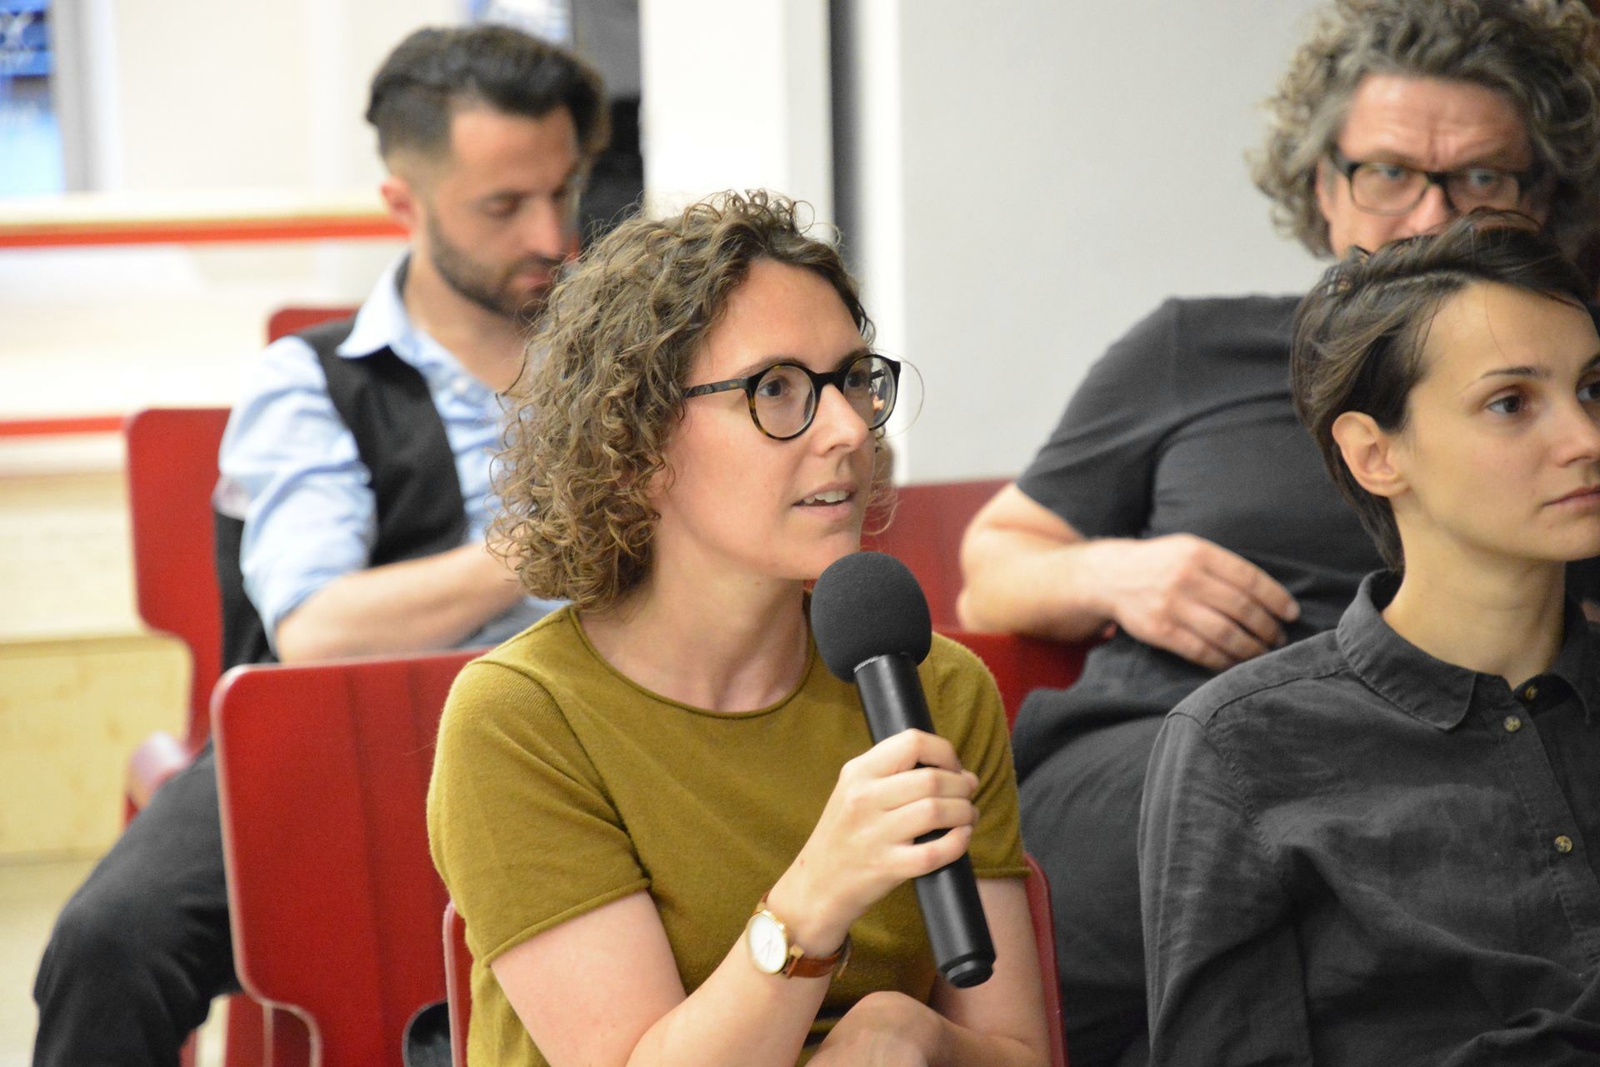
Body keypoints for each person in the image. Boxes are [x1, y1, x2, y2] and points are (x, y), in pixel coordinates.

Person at [954, 3, 1600, 1063]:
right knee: (1331, 802)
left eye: (1481, 177)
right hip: (1165, 740)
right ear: (1323, 185)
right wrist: (1122, 573)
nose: (1428, 214)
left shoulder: (1566, 405)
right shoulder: (1191, 349)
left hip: (1473, 743)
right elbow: (991, 566)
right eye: (1387, 172)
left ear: (1541, 197)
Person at [31, 25, 607, 1067]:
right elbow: (318, 628)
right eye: (502, 206)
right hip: (356, 754)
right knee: (109, 943)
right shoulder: (313, 382)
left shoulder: (629, 356)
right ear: (403, 203)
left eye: (563, 191)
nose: (551, 233)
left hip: (603, 731)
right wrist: (554, 540)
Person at [427, 190, 1051, 1067]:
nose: (848, 430)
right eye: (777, 389)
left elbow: (1017, 1053)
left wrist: (911, 1036)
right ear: (636, 446)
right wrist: (814, 897)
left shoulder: (933, 685)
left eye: (854, 381)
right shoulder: (521, 718)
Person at [1142, 214, 1600, 1065]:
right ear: (1375, 454)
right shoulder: (1240, 744)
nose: (1586, 439)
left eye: (1593, 390)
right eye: (1510, 402)